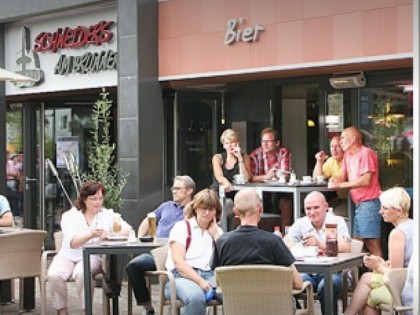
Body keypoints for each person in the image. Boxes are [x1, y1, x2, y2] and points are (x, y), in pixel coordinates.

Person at [47, 181, 132, 315]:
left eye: (100, 198)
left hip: (92, 255)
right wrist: (90, 234)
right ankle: (62, 311)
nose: (97, 202)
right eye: (93, 199)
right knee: (54, 275)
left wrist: (109, 234)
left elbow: (128, 230)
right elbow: (73, 243)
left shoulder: (107, 214)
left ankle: (86, 311)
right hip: (68, 254)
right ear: (84, 199)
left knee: (81, 273)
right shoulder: (70, 216)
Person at [125, 175, 196, 315]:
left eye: (178, 188)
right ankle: (147, 306)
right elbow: (148, 220)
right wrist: (140, 237)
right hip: (157, 253)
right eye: (173, 188)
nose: (174, 191)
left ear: (189, 191)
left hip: (180, 255)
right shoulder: (166, 206)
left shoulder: (195, 209)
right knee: (133, 266)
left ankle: (176, 303)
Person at [211, 188, 303, 290]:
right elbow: (297, 283)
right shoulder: (273, 242)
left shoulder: (222, 242)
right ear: (260, 208)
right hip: (271, 304)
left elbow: (218, 282)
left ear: (235, 211)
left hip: (236, 304)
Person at [344, 187, 413, 315]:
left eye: (385, 208)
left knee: (368, 291)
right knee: (367, 285)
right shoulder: (412, 225)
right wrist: (382, 262)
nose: (380, 212)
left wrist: (377, 266)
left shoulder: (398, 233)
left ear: (398, 211)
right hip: (410, 279)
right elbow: (401, 263)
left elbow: (395, 275)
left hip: (408, 287)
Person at [283, 191, 350, 315]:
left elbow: (346, 247)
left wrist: (320, 244)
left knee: (326, 286)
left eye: (316, 207)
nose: (312, 212)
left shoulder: (337, 221)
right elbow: (286, 240)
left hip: (335, 273)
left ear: (325, 206)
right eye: (308, 208)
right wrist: (294, 245)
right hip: (308, 273)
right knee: (286, 282)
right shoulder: (301, 222)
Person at [164, 188, 223, 315]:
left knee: (237, 295)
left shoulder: (218, 232)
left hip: (210, 276)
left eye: (211, 209)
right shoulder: (182, 227)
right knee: (196, 297)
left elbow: (223, 260)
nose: (207, 213)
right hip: (180, 278)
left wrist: (216, 236)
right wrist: (200, 281)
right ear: (196, 208)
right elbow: (179, 263)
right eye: (203, 208)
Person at [328, 126, 383, 257]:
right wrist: (334, 179)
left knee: (372, 244)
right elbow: (342, 174)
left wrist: (341, 185)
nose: (340, 142)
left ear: (353, 139)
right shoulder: (348, 155)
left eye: (342, 138)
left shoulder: (366, 153)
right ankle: (357, 276)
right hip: (359, 204)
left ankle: (382, 276)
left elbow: (365, 180)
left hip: (369, 203)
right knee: (356, 245)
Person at [249, 127, 292, 232]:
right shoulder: (254, 155)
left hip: (280, 190)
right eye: (263, 141)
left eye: (269, 141)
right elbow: (250, 178)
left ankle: (284, 234)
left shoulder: (283, 152)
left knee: (286, 202)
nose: (265, 144)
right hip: (261, 192)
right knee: (255, 203)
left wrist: (276, 175)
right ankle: (258, 234)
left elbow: (285, 174)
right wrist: (266, 176)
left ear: (277, 143)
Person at [312, 135, 347, 216]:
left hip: (350, 200)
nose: (334, 149)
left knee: (332, 215)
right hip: (340, 198)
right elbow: (316, 178)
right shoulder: (331, 160)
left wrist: (334, 179)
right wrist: (319, 162)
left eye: (337, 146)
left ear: (343, 147)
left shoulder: (348, 159)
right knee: (319, 211)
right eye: (331, 146)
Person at [211, 128, 251, 198]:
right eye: (226, 143)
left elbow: (246, 179)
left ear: (238, 143)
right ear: (223, 145)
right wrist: (225, 182)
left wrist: (240, 158)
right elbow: (219, 176)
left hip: (239, 195)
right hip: (219, 193)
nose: (229, 145)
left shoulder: (245, 157)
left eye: (232, 142)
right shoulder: (217, 157)